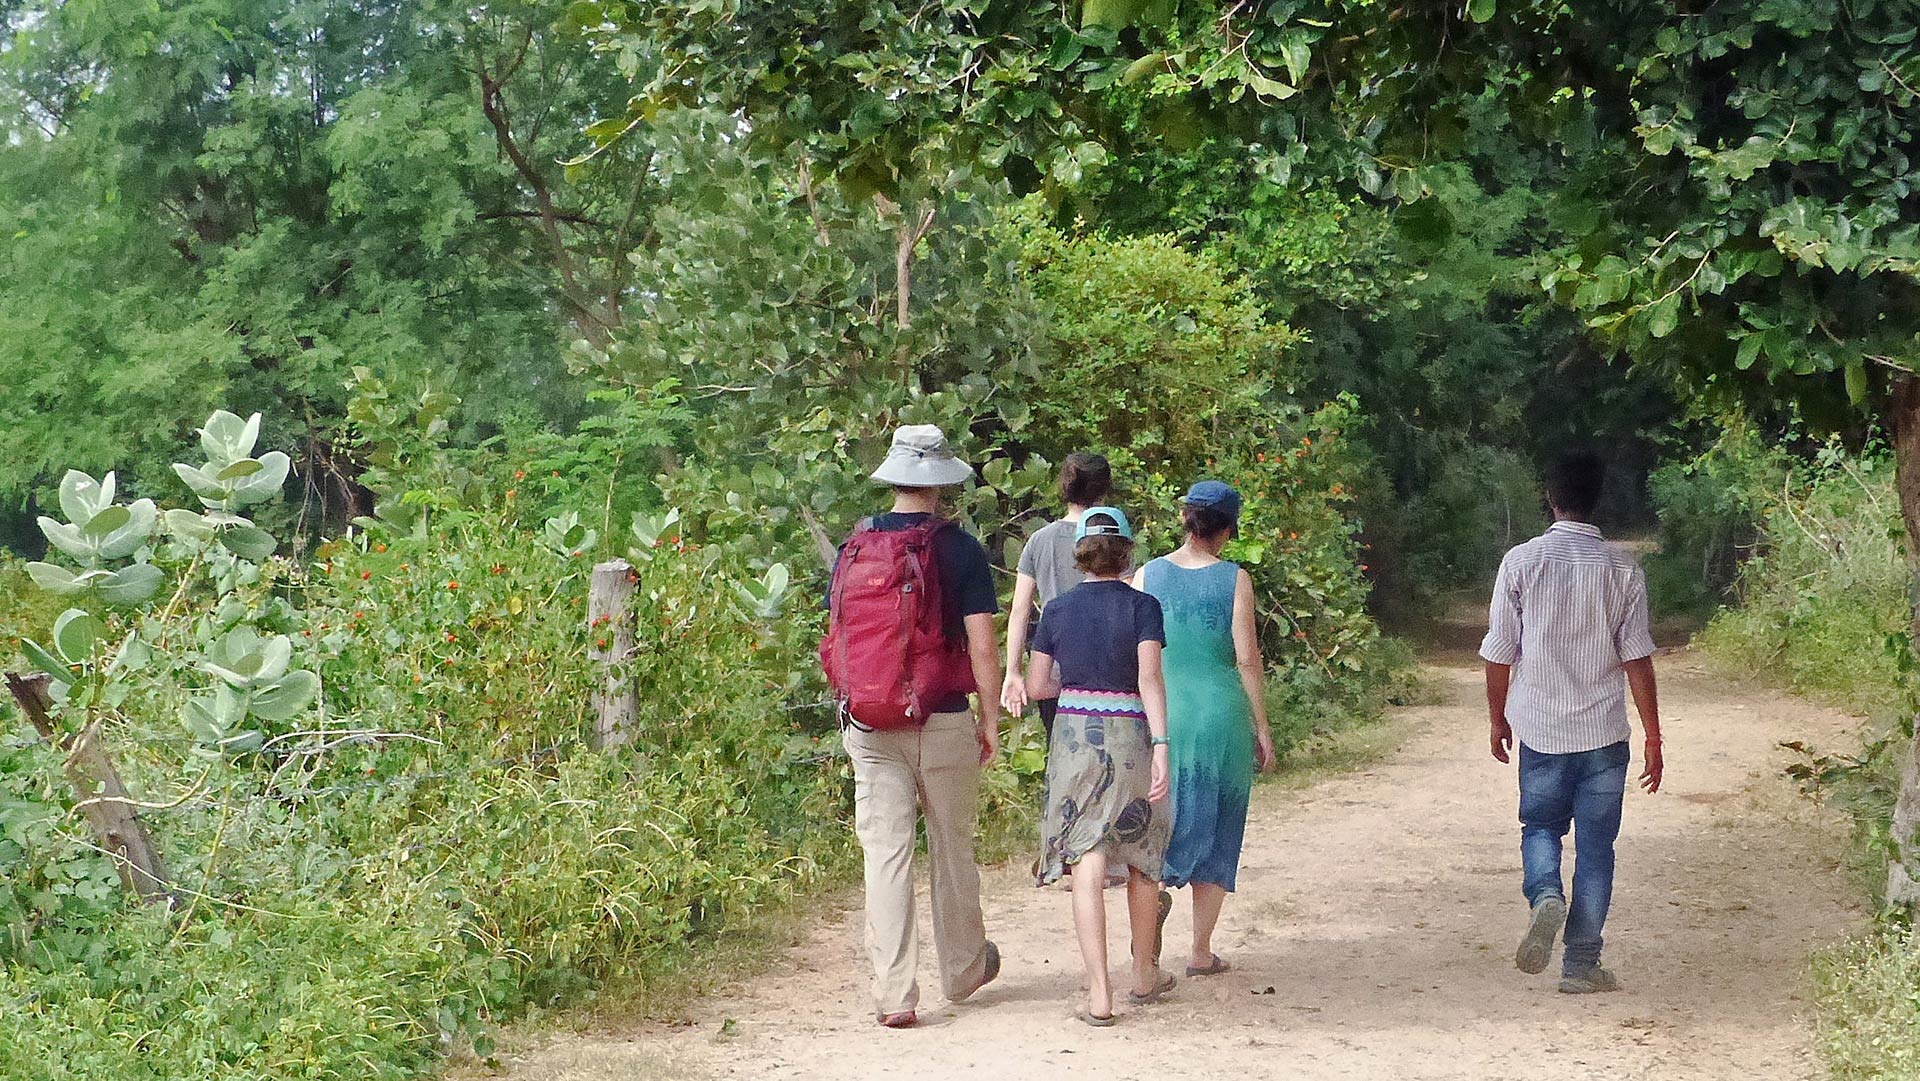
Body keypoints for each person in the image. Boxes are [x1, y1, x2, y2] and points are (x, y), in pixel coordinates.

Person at [823, 424, 1005, 1029]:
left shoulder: (856, 548)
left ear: (895, 477)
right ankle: (962, 971)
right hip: (943, 716)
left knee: (886, 856)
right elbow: (983, 648)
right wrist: (990, 719)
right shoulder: (960, 549)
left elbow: (842, 639)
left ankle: (895, 994)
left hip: (869, 725)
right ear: (940, 482)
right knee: (953, 848)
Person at [1479, 450, 1664, 995]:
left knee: (1540, 828)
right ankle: (1581, 965)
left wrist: (1497, 719)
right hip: (1605, 735)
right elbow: (1637, 658)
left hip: (1540, 729)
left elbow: (1498, 653)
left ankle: (1544, 897)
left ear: (1551, 497)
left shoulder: (1520, 562)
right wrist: (1654, 733)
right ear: (1596, 499)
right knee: (1598, 849)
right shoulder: (1623, 568)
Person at [1028, 506, 1175, 1026]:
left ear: (1081, 555)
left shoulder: (1058, 610)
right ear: (1127, 551)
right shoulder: (1144, 607)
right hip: (1132, 733)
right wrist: (1161, 743)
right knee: (1140, 856)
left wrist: (1069, 688)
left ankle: (1099, 994)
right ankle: (1142, 974)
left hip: (1072, 738)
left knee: (1086, 857)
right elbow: (1150, 679)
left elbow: (1037, 685)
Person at [1133, 480, 1276, 979]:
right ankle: (1199, 950)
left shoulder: (1146, 575)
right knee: (1219, 826)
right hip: (1220, 715)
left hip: (1163, 711)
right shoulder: (1235, 580)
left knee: (1157, 824)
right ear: (1229, 529)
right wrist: (1262, 727)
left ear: (1184, 520)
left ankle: (1148, 920)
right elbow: (1246, 659)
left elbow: (1136, 651)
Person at [1002, 452, 1113, 735]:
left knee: (1063, 759)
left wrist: (1013, 672)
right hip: (1109, 672)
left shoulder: (1040, 540)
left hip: (1053, 671)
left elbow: (1019, 611)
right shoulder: (1113, 540)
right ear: (1104, 488)